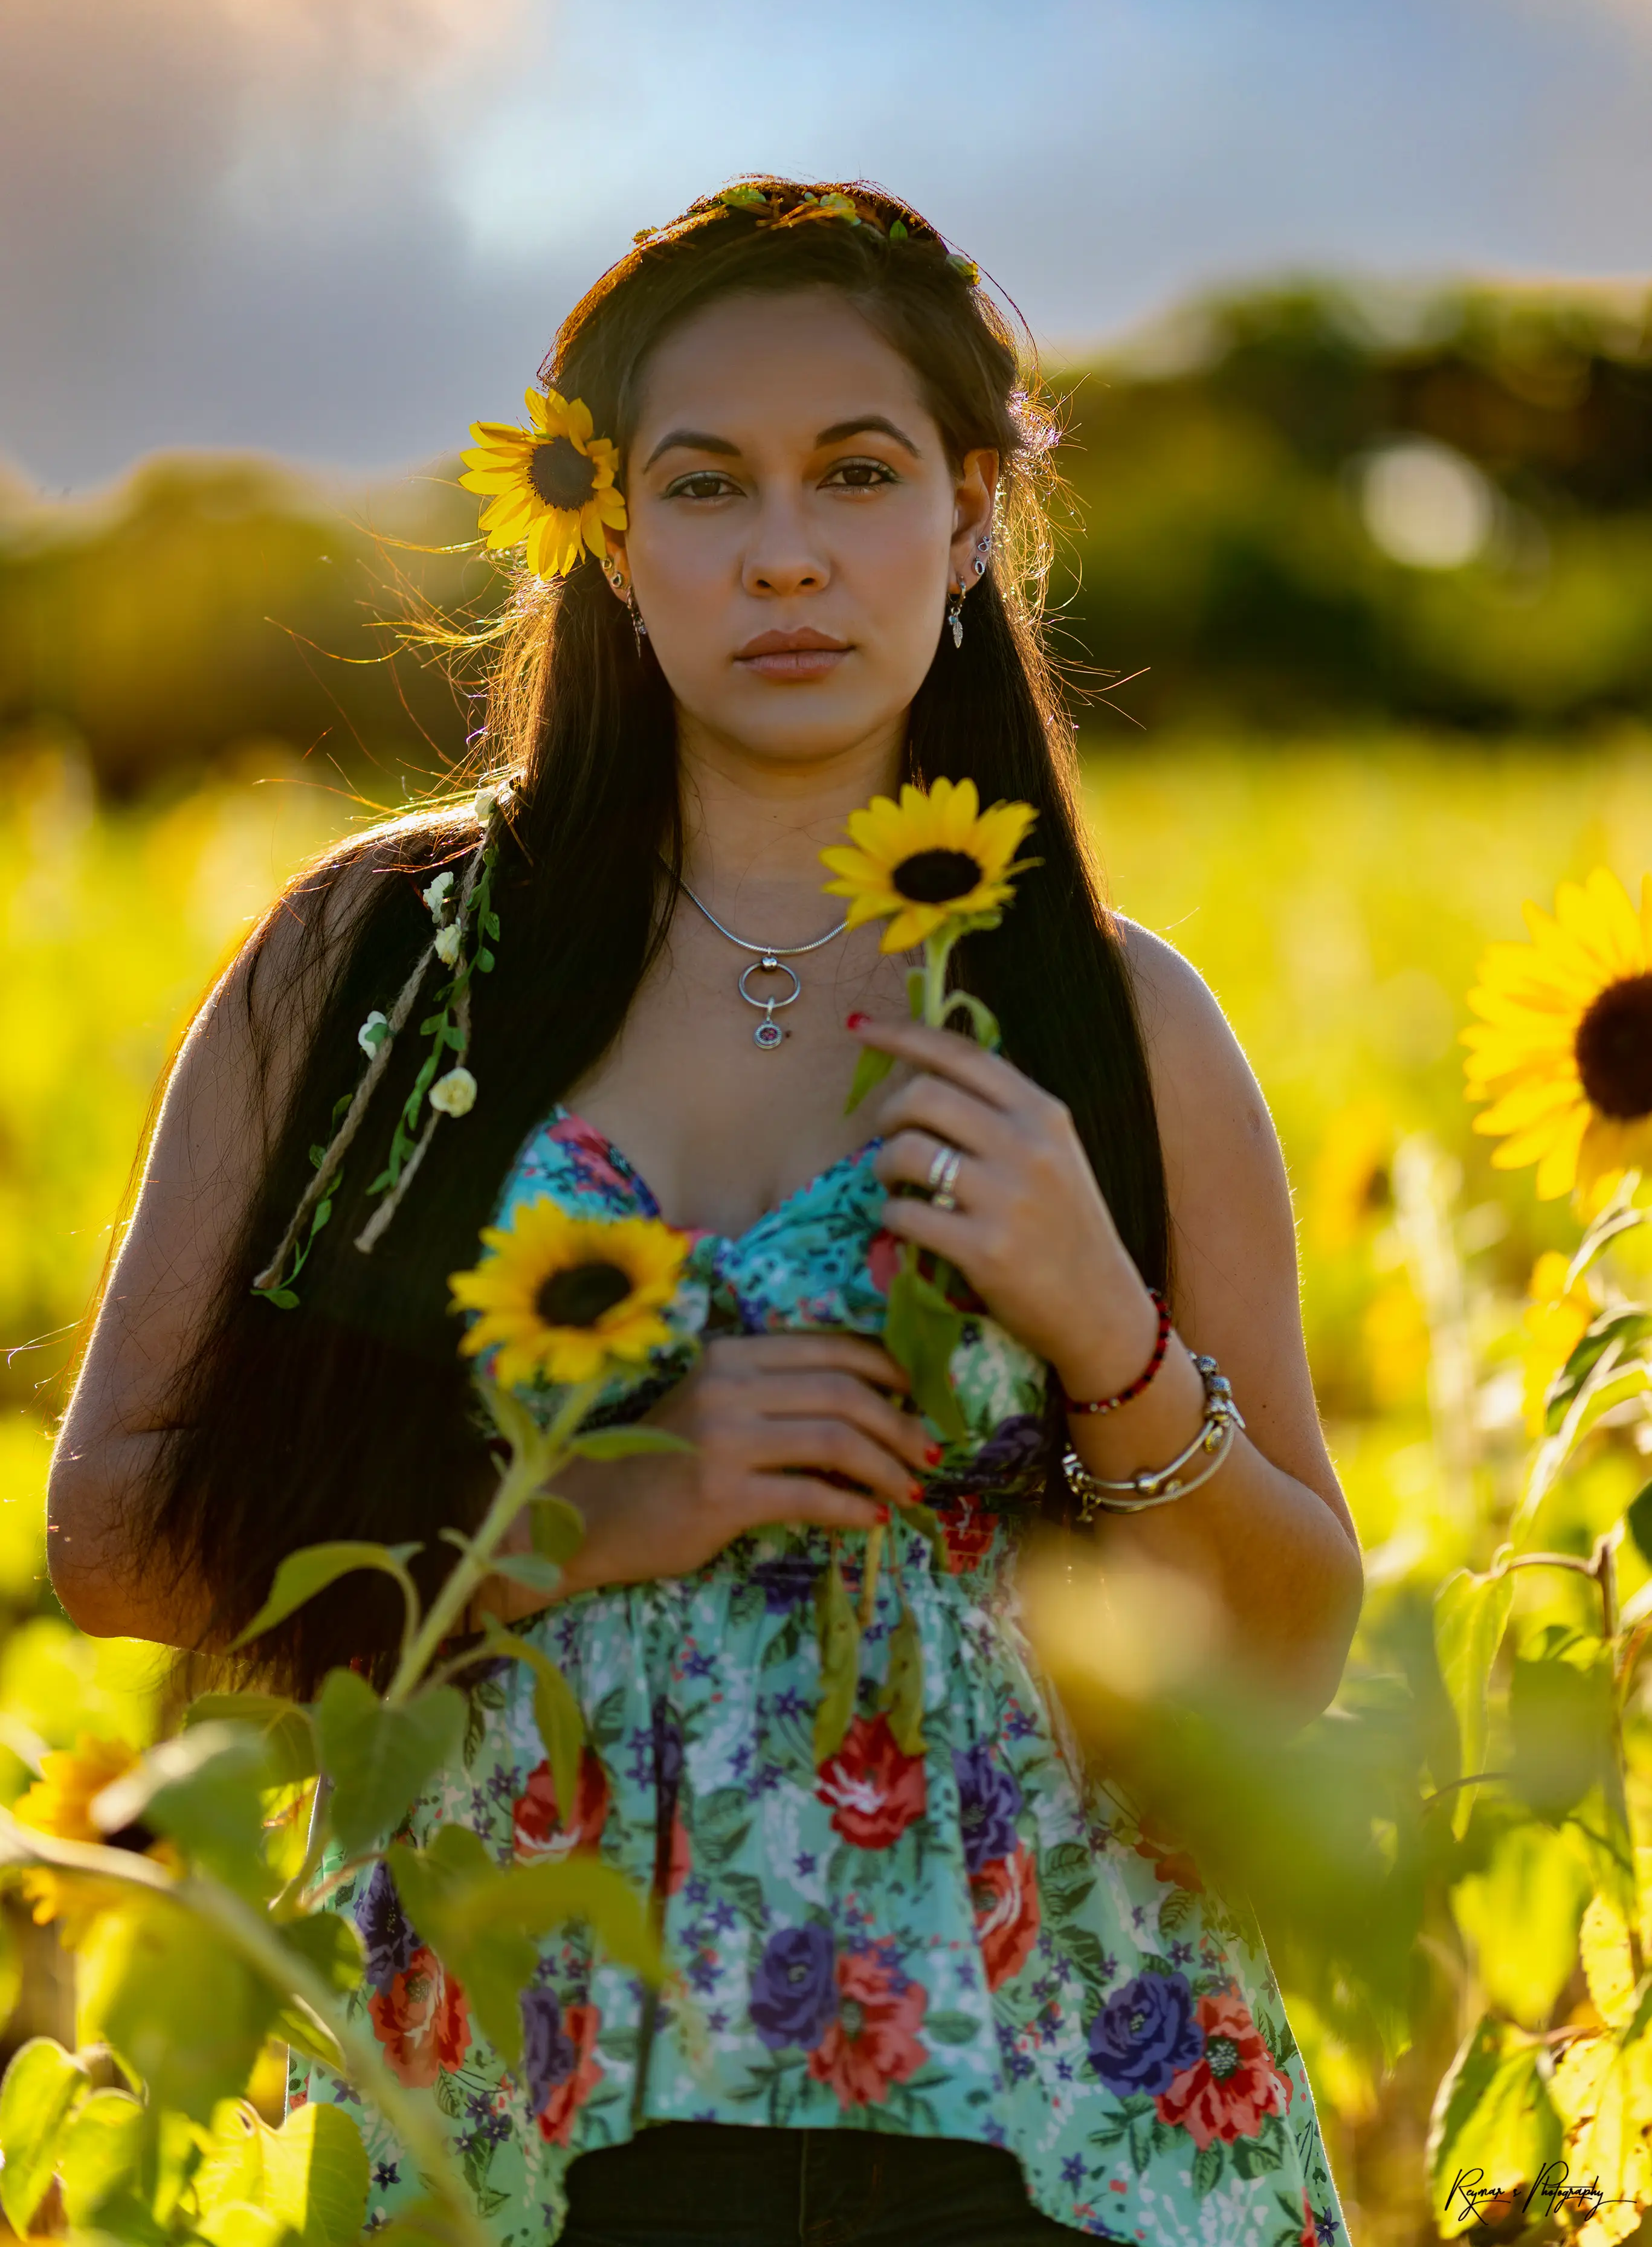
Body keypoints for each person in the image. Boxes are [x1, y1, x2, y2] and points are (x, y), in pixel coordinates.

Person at [53, 177, 1361, 2245]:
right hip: (517, 2076)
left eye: (856, 473)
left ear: (965, 522)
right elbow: (114, 1534)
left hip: (1048, 2102)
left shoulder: (1113, 1019)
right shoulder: (385, 968)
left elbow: (1288, 1645)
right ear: (606, 536)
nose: (782, 553)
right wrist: (589, 1514)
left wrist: (1105, 1336)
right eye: (703, 482)